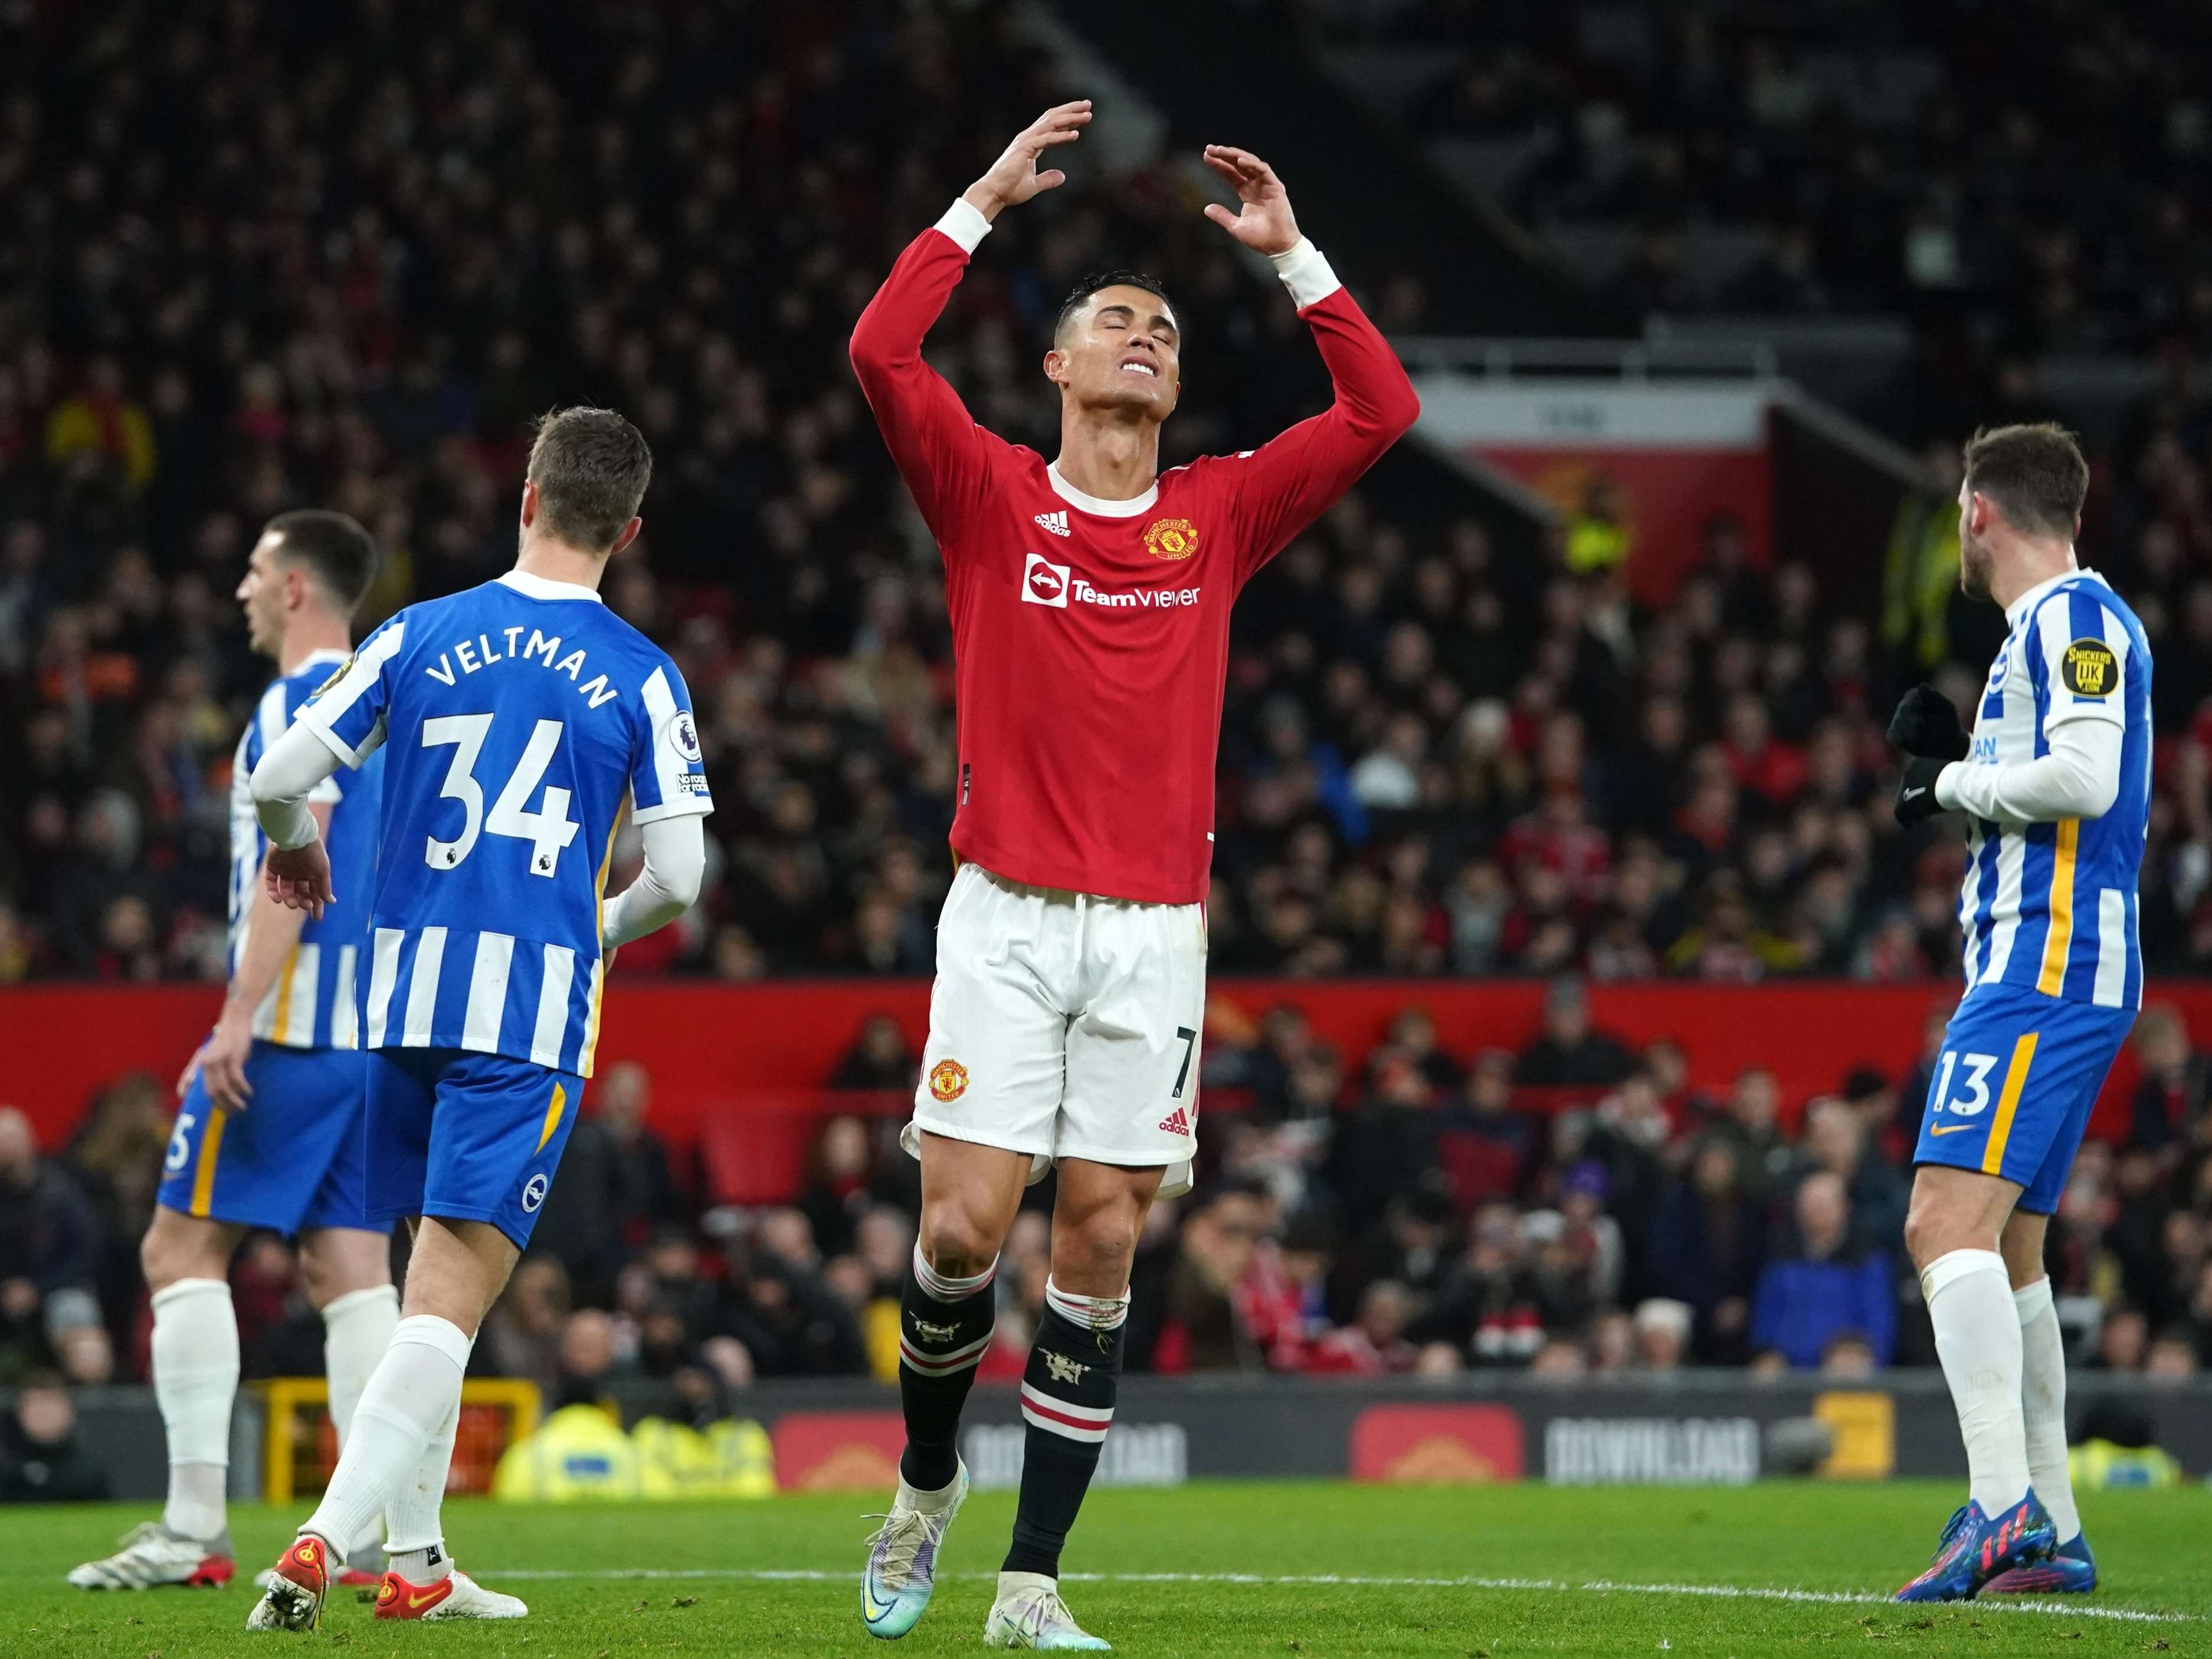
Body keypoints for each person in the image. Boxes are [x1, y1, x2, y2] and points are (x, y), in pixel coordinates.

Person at [845, 102, 1416, 1650]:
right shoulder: (988, 499)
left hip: (1154, 932)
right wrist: (975, 204)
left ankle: (1030, 1583)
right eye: (1113, 319)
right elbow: (880, 359)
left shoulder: (1214, 513)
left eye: (1161, 324)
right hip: (1006, 917)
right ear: (1056, 366)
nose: (1143, 336)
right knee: (963, 1233)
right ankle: (922, 1486)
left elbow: (1376, 410)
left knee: (1097, 1243)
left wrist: (1291, 255)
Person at [240, 408, 711, 1629]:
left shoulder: (414, 631)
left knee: (416, 1289)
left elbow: (280, 777)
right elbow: (684, 874)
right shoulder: (642, 673)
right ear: (631, 528)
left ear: (528, 497)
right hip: (526, 1010)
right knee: (451, 1295)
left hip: (397, 1000)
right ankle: (321, 1539)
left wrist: (297, 859)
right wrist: (596, 928)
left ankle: (422, 1558)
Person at [68, 512, 399, 1594]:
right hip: (376, 1037)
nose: (243, 588)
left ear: (298, 586)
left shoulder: (299, 705)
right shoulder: (399, 703)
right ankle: (371, 1534)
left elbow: (285, 868)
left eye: (256, 570)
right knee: (349, 1268)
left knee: (177, 1252)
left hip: (296, 1032)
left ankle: (193, 1526)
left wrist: (237, 1016)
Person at [1887, 424, 2151, 1602]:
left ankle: (2002, 1506)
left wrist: (1952, 784)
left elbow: (2088, 781)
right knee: (2011, 1241)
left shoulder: (2072, 620)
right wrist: (1973, 785)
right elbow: (2052, 789)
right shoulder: (2040, 638)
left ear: (1979, 512)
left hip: (2046, 968)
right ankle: (2053, 1517)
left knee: (1940, 1224)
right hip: (2044, 961)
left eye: (1956, 508)